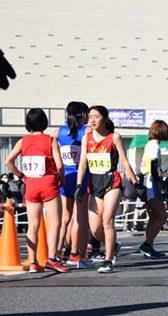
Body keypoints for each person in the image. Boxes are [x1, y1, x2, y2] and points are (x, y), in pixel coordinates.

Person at [4, 108, 69, 273]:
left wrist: (20, 175)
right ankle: (52, 258)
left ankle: (33, 261)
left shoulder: (23, 141)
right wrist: (61, 178)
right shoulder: (50, 140)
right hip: (48, 182)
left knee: (33, 224)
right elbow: (60, 165)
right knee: (54, 222)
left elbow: (8, 161)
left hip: (31, 184)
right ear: (44, 122)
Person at [75, 105, 138, 273]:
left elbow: (124, 162)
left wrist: (135, 181)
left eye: (96, 116)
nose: (92, 120)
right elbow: (82, 163)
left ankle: (108, 260)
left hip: (111, 180)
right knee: (95, 228)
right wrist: (79, 184)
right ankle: (114, 245)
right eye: (90, 117)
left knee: (107, 220)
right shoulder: (86, 138)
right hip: (94, 182)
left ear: (105, 118)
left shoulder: (114, 137)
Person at [54, 101, 95, 269]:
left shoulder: (58, 132)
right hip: (82, 178)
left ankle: (57, 252)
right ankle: (77, 254)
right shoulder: (87, 131)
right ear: (84, 115)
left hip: (66, 177)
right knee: (80, 218)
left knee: (64, 218)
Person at [138, 120, 168, 259]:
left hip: (145, 180)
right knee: (161, 216)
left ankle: (148, 246)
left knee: (154, 216)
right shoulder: (155, 145)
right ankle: (147, 244)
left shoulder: (149, 144)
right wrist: (160, 183)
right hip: (151, 182)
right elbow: (153, 165)